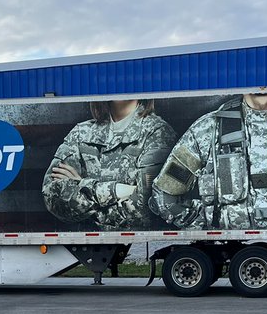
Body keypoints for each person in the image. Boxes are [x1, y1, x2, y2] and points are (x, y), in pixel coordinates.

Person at [42, 98, 177, 231]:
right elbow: (52, 197)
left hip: (136, 241)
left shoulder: (158, 132)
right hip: (84, 242)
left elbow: (147, 209)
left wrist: (82, 186)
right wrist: (118, 190)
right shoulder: (81, 133)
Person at [151, 89, 267, 229]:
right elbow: (165, 196)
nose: (262, 85)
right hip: (228, 240)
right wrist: (206, 227)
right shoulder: (208, 129)